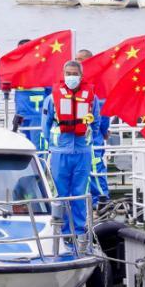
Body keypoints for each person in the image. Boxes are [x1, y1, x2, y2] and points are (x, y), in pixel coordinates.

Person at [41, 60, 101, 241]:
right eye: (68, 73)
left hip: (82, 152)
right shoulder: (52, 99)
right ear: (63, 74)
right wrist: (54, 143)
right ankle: (61, 231)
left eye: (75, 73)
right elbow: (45, 125)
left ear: (81, 76)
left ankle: (79, 232)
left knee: (79, 193)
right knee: (60, 193)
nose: (71, 77)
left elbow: (96, 122)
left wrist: (87, 137)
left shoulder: (92, 99)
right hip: (60, 152)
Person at [75, 49, 111, 206]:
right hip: (77, 137)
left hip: (93, 136)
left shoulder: (98, 85)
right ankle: (87, 201)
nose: (78, 62)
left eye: (81, 59)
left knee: (96, 169)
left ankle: (102, 201)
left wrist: (103, 131)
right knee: (81, 171)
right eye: (76, 59)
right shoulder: (76, 86)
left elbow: (104, 113)